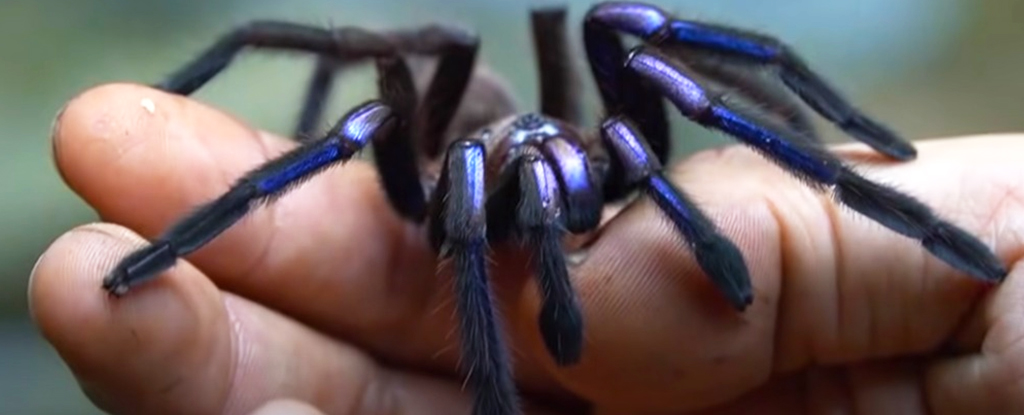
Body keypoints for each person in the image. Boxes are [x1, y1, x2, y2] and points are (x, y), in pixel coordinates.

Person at [29, 83, 1024, 415]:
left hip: (540, 157)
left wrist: (861, 165)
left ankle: (883, 192)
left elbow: (687, 96)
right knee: (393, 108)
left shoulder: (604, 144)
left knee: (625, 31)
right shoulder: (458, 171)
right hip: (454, 174)